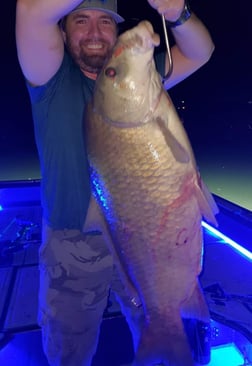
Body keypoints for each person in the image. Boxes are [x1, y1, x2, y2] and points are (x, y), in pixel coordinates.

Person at [15, 0, 215, 365]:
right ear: (63, 30)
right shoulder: (50, 77)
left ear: (116, 31)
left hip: (146, 235)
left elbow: (201, 52)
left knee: (159, 321)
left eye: (105, 21)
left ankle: (164, 345)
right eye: (81, 20)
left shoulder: (135, 77)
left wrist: (178, 12)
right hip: (70, 244)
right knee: (68, 351)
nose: (94, 32)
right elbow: (29, 10)